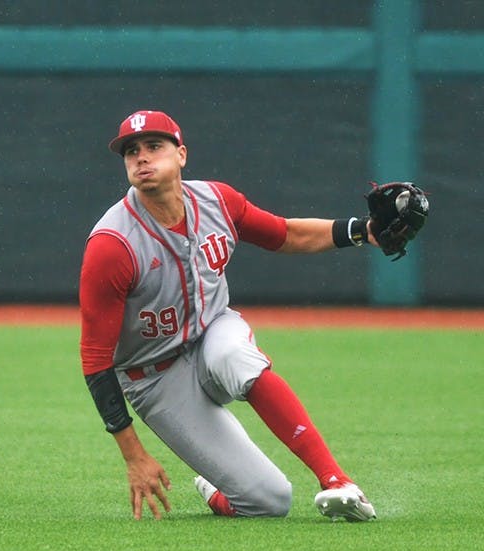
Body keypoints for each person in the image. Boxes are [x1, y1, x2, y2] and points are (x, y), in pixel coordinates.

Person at [79, 110, 378, 522]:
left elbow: (284, 234)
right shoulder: (112, 244)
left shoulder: (218, 200)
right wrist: (134, 454)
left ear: (181, 154)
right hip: (155, 377)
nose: (141, 158)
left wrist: (364, 231)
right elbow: (95, 361)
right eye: (131, 151)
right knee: (270, 502)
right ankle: (215, 485)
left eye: (154, 146)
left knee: (231, 354)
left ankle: (336, 480)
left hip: (213, 334)